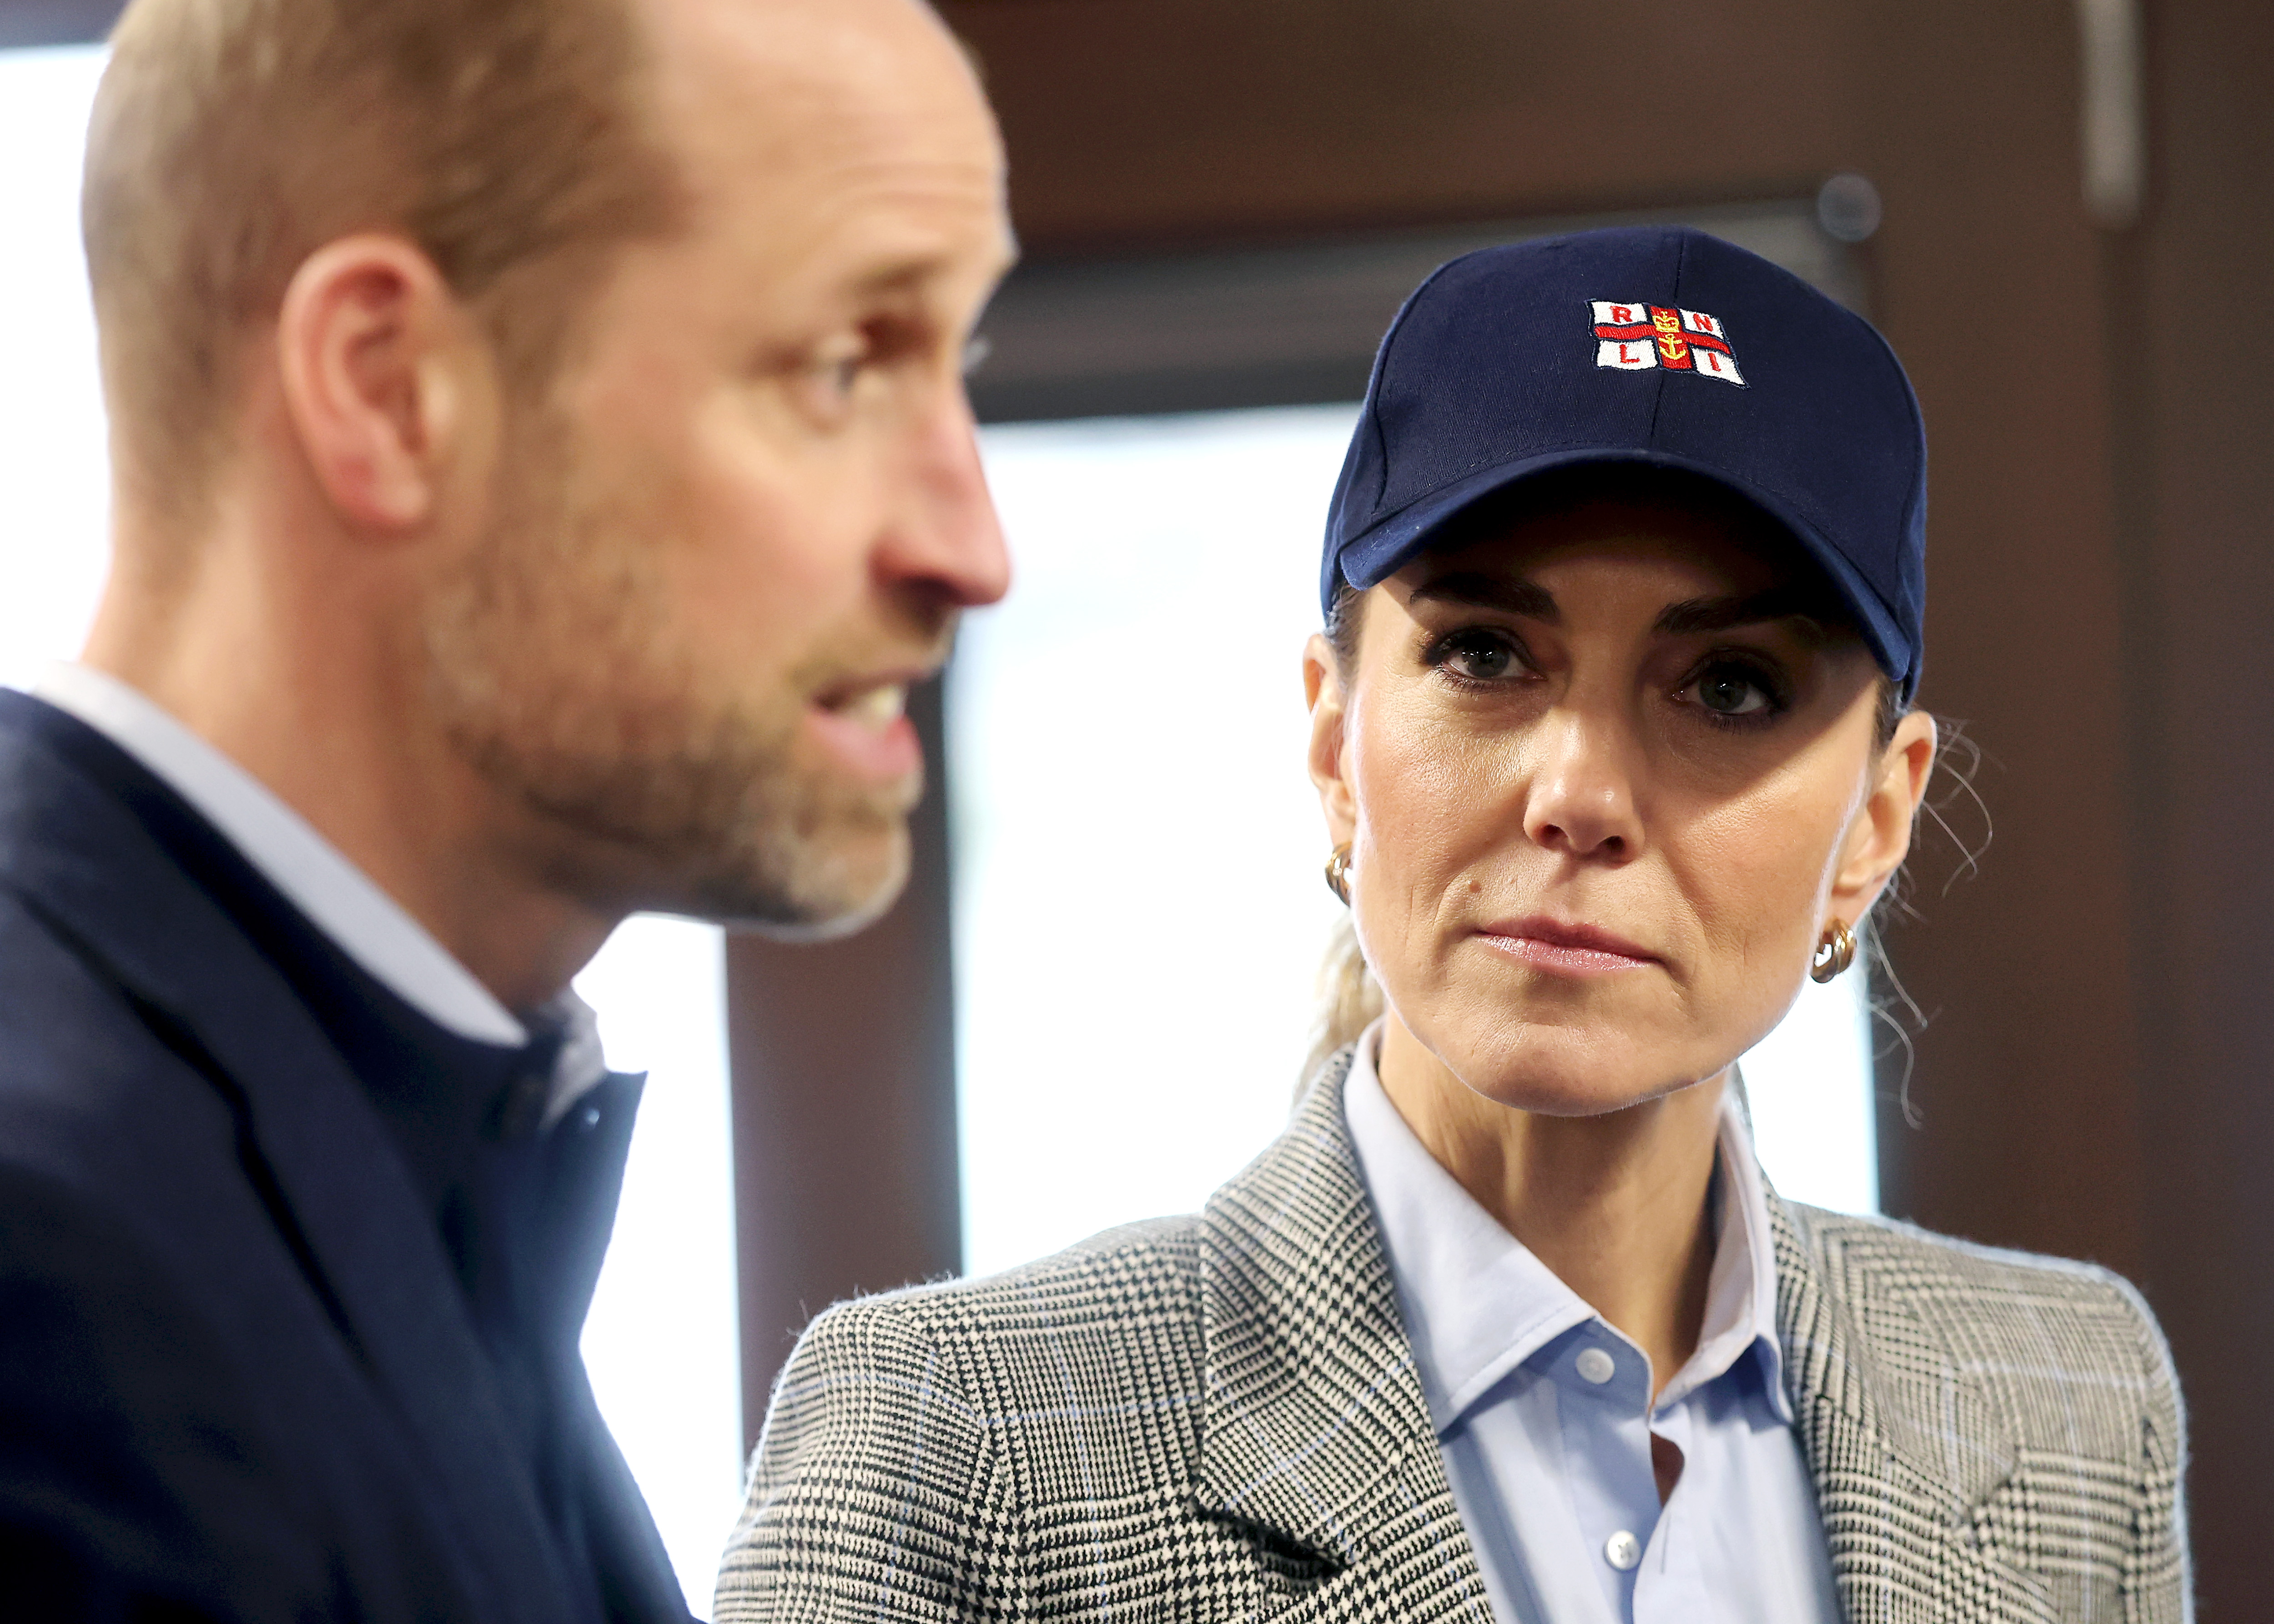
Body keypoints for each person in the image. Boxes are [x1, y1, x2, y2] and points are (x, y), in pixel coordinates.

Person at [717, 227, 2190, 1624]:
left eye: (1731, 685)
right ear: (1333, 746)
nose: (1581, 795)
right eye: (1486, 654)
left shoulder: (2072, 1405)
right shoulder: (953, 1445)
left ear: (1873, 823)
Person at [0, 0, 1011, 1617]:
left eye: (962, 365)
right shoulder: (56, 1275)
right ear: (389, 389)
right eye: (842, 368)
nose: (973, 549)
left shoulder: (396, 1150)